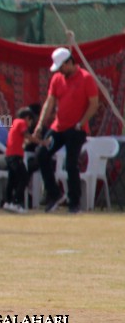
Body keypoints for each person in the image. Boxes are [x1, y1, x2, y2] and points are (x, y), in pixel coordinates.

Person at [34, 47, 99, 214]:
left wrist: (82, 122)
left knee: (71, 164)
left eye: (62, 67)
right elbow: (49, 102)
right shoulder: (57, 79)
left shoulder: (86, 78)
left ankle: (74, 203)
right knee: (41, 153)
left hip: (76, 129)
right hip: (58, 127)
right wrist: (40, 125)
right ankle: (55, 194)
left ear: (69, 62)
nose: (60, 71)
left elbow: (94, 104)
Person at [1, 107, 40, 214]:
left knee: (12, 179)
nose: (30, 124)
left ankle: (7, 202)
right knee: (24, 178)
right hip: (16, 157)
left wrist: (31, 139)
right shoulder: (22, 122)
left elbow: (23, 141)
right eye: (31, 121)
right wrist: (41, 142)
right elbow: (27, 136)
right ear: (28, 118)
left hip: (9, 156)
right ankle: (16, 202)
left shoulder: (15, 123)